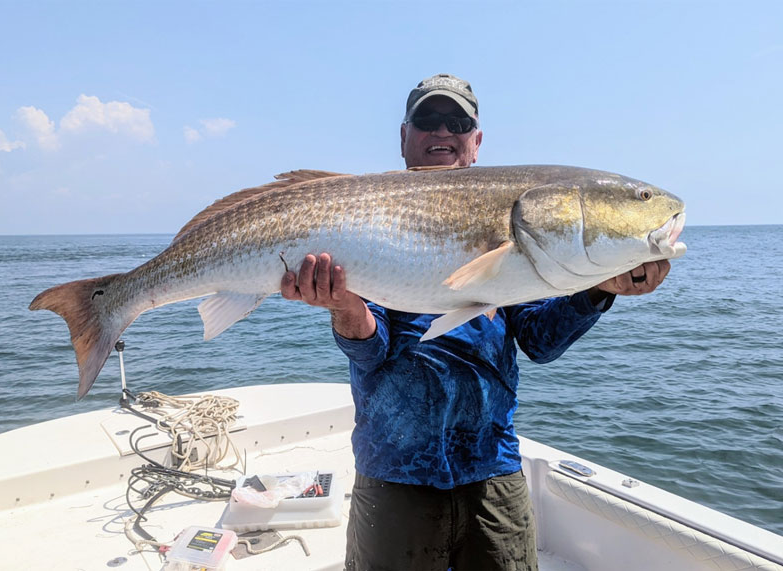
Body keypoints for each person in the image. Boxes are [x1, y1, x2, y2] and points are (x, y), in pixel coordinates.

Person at [281, 74, 671, 570]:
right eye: (427, 119)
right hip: (394, 472)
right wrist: (345, 307)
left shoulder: (518, 227)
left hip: (492, 470)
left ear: (476, 141)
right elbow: (370, 347)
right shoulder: (367, 211)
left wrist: (597, 290)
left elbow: (539, 341)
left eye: (458, 121)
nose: (442, 130)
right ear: (404, 137)